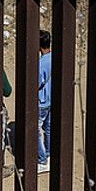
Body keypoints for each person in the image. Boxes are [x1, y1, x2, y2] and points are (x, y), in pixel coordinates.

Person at [37, 30, 52, 172]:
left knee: (36, 130)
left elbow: (36, 83)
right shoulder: (56, 57)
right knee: (49, 129)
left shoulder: (41, 63)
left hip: (42, 101)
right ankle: (48, 155)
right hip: (53, 99)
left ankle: (42, 160)